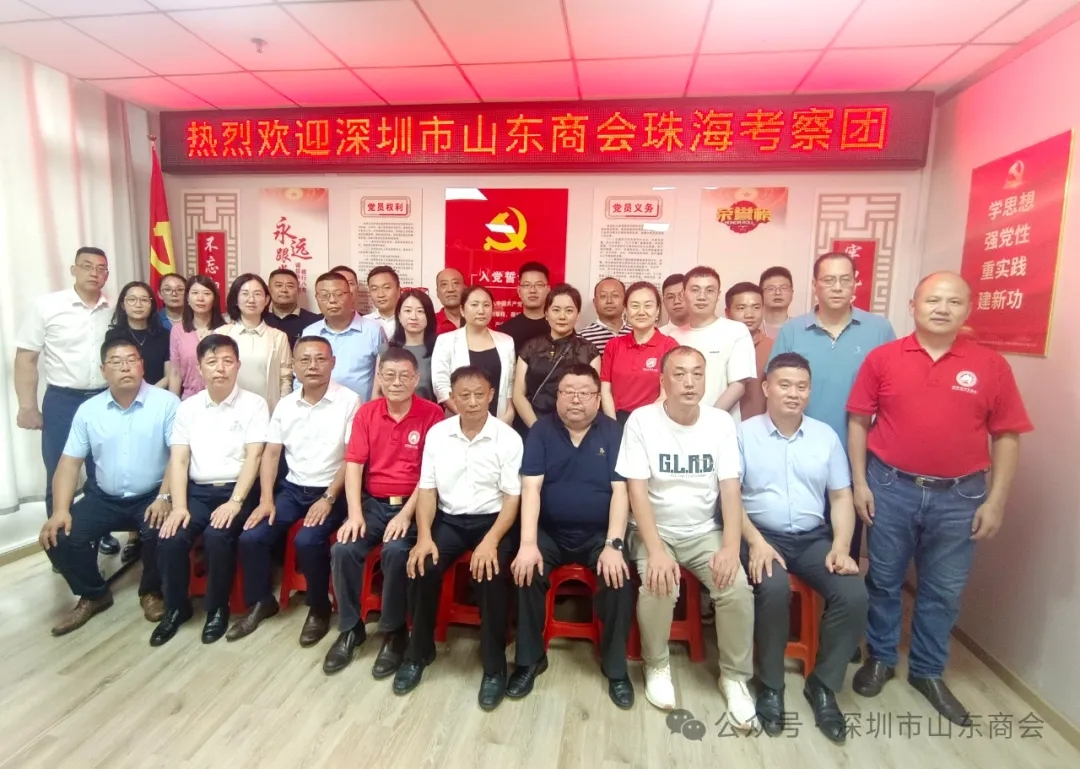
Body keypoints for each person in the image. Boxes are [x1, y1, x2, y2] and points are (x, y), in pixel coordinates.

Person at [847, 272, 1032, 726]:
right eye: (933, 300)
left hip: (961, 495)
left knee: (943, 590)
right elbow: (858, 421)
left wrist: (996, 501)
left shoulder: (991, 366)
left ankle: (928, 671)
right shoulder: (883, 358)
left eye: (953, 301)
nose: (942, 308)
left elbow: (1007, 435)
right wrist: (860, 483)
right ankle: (881, 657)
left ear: (967, 310)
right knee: (884, 580)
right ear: (913, 306)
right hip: (890, 486)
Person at [615, 346, 756, 728]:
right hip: (653, 530)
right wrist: (656, 550)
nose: (689, 382)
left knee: (736, 587)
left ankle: (734, 677)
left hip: (703, 532)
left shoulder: (720, 423)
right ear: (663, 380)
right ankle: (656, 664)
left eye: (697, 373)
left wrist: (731, 548)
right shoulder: (642, 421)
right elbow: (636, 490)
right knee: (659, 582)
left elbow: (730, 489)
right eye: (679, 374)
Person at [738, 353, 867, 743]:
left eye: (801, 386)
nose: (793, 393)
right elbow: (730, 499)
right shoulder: (743, 434)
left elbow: (841, 497)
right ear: (766, 388)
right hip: (760, 534)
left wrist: (841, 546)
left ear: (809, 391)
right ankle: (771, 685)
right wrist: (755, 542)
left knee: (853, 594)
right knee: (774, 588)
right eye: (784, 385)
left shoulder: (825, 437)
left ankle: (823, 685)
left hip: (813, 539)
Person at [393, 366, 523, 712]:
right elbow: (427, 489)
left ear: (491, 395)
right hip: (449, 520)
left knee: (490, 574)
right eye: (464, 395)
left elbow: (513, 499)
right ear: (452, 398)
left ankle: (494, 665)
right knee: (421, 565)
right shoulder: (438, 434)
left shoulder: (508, 438)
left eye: (479, 394)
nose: (472, 402)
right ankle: (419, 652)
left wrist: (491, 541)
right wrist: (423, 536)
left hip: (493, 521)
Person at [508, 365, 635, 708]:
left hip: (598, 535)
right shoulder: (540, 431)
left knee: (619, 578)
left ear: (598, 398)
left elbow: (621, 492)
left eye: (585, 393)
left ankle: (616, 668)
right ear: (557, 396)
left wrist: (614, 544)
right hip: (550, 532)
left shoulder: (613, 432)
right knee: (525, 570)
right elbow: (530, 488)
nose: (576, 399)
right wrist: (528, 543)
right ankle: (529, 660)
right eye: (568, 392)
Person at [226, 336, 359, 646]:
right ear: (295, 366)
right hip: (293, 490)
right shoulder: (285, 405)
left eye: (320, 359)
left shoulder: (349, 401)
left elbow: (352, 458)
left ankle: (319, 607)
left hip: (332, 491)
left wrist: (328, 498)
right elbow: (272, 454)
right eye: (305, 360)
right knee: (251, 536)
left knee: (307, 540)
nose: (313, 366)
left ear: (333, 363)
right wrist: (266, 500)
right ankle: (262, 601)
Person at [38, 337, 177, 635]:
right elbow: (69, 463)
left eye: (131, 360)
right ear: (103, 370)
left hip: (153, 494)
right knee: (57, 535)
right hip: (104, 498)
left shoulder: (166, 403)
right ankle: (94, 593)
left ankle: (151, 591)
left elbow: (177, 457)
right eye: (116, 361)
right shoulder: (89, 410)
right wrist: (60, 510)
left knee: (162, 530)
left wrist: (165, 496)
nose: (125, 367)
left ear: (142, 365)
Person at [325, 348, 445, 677]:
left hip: (414, 504)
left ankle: (394, 632)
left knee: (395, 552)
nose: (396, 382)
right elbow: (354, 465)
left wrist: (406, 514)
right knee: (344, 548)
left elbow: (430, 474)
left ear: (416, 379)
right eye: (389, 375)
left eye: (404, 376)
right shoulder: (367, 413)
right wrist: (354, 514)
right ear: (379, 378)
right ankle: (351, 628)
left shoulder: (432, 414)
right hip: (373, 504)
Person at [769, 251, 896, 561]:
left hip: (858, 457)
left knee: (844, 546)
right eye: (828, 280)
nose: (837, 287)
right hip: (798, 454)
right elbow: (774, 388)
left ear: (855, 283)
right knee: (797, 543)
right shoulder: (793, 330)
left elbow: (893, 394)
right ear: (815, 285)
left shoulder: (879, 330)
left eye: (844, 280)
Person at [151, 334, 269, 647]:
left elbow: (255, 457)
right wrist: (179, 506)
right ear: (200, 368)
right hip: (198, 492)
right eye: (212, 362)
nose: (221, 368)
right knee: (171, 536)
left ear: (238, 365)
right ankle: (176, 608)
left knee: (218, 536)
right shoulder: (187, 408)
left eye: (228, 361)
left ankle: (217, 608)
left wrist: (235, 502)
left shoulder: (255, 404)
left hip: (238, 491)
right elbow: (179, 459)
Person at [15, 246, 118, 555]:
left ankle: (99, 532)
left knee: (102, 471)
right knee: (59, 472)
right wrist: (27, 406)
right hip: (63, 399)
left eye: (101, 268)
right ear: (73, 269)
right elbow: (26, 358)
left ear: (107, 274)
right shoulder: (47, 306)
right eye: (87, 266)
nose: (94, 273)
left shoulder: (114, 310)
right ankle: (60, 545)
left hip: (104, 398)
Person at [668, 266, 757, 422]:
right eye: (695, 290)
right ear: (683, 294)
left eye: (709, 290)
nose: (702, 297)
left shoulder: (736, 331)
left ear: (718, 295)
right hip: (678, 425)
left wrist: (705, 422)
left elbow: (738, 386)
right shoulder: (673, 336)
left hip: (720, 425)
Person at [513, 284, 601, 433]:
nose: (562, 316)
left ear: (578, 315)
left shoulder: (589, 351)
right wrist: (537, 429)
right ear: (546, 313)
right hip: (531, 426)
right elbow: (518, 394)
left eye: (569, 310)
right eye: (556, 310)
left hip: (575, 430)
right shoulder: (530, 347)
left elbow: (592, 396)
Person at [431, 285, 516, 422]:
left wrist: (507, 416)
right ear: (462, 310)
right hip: (460, 420)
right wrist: (468, 416)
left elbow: (510, 385)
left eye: (486, 305)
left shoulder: (506, 342)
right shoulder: (446, 341)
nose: (481, 311)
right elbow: (441, 385)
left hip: (500, 421)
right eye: (474, 305)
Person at [600, 281, 678, 424]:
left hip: (653, 420)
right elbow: (605, 391)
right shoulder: (613, 345)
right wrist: (613, 426)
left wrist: (642, 423)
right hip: (616, 421)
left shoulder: (669, 346)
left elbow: (666, 393)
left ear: (657, 310)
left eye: (648, 306)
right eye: (635, 306)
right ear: (626, 310)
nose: (641, 312)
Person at [216, 273, 293, 414]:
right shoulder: (221, 334)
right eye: (245, 294)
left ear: (266, 300)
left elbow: (285, 378)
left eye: (257, 294)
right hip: (228, 411)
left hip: (267, 412)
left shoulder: (278, 337)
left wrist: (281, 412)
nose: (251, 299)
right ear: (236, 299)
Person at [302, 271, 385, 400]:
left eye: (339, 294)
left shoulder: (374, 331)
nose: (332, 300)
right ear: (317, 298)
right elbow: (301, 376)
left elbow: (383, 376)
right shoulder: (309, 333)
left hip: (361, 409)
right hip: (318, 408)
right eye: (324, 295)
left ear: (351, 296)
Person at [372, 289, 437, 402]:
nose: (413, 317)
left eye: (420, 311)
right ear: (399, 316)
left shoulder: (439, 348)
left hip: (430, 412)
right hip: (391, 412)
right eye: (408, 311)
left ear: (429, 316)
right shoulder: (386, 350)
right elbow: (377, 394)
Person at [168, 275, 226, 400]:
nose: (200, 298)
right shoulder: (178, 330)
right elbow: (175, 373)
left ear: (214, 299)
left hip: (220, 398)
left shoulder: (226, 330)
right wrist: (173, 404)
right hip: (189, 399)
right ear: (187, 298)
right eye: (195, 293)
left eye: (206, 293)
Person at [107, 281, 171, 388]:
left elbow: (169, 375)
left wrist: (149, 394)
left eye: (144, 300)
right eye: (132, 300)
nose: (138, 305)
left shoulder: (164, 335)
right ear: (123, 305)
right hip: (125, 393)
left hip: (158, 393)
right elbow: (114, 372)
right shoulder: (113, 336)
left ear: (151, 305)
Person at [724, 282, 772, 420]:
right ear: (727, 313)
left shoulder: (774, 347)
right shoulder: (718, 345)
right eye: (741, 308)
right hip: (722, 424)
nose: (749, 314)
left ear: (763, 310)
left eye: (756, 307)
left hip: (760, 427)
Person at [497, 261, 551, 354]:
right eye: (526, 285)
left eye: (539, 285)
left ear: (548, 290)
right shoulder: (505, 331)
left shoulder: (557, 327)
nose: (532, 290)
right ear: (519, 291)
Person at [264, 268, 321, 347]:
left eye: (290, 286)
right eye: (278, 285)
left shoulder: (314, 322)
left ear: (298, 290)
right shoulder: (260, 319)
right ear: (269, 289)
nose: (284, 290)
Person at [578, 277, 630, 355]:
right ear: (595, 302)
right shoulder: (581, 338)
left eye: (615, 295)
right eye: (603, 296)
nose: (609, 301)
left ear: (625, 301)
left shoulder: (637, 333)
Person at [364, 266, 401, 338]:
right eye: (374, 289)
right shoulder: (364, 322)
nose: (380, 295)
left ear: (398, 290)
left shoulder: (410, 320)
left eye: (387, 287)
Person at [759, 266, 794, 339]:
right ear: (761, 294)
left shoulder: (800, 328)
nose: (778, 292)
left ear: (792, 293)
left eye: (784, 288)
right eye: (771, 289)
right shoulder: (752, 328)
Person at [434, 267, 464, 333]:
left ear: (464, 289)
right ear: (437, 293)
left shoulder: (478, 320)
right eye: (444, 284)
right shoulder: (429, 322)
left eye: (455, 283)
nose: (450, 289)